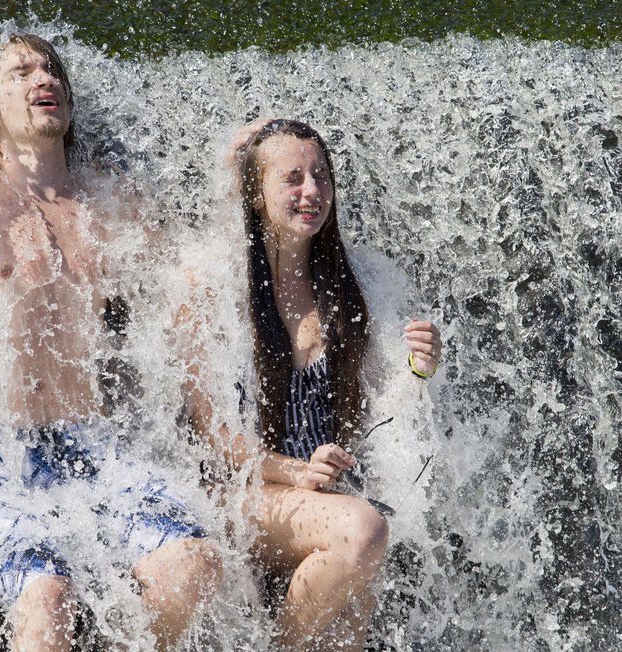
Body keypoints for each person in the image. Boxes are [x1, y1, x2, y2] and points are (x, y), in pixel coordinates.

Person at [0, 33, 221, 652]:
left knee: (193, 564)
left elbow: (192, 305)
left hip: (94, 440)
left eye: (50, 69)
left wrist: (239, 170)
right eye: (19, 73)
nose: (42, 79)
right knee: (45, 599)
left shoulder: (112, 201)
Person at [184, 118, 442, 651]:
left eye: (321, 175)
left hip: (321, 493)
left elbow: (379, 413)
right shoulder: (214, 285)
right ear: (255, 194)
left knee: (352, 614)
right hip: (242, 493)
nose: (312, 191)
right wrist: (296, 471)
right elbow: (216, 436)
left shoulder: (359, 282)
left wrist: (417, 371)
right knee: (361, 532)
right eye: (292, 177)